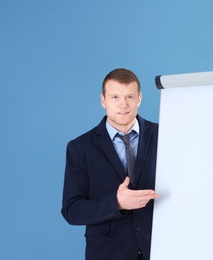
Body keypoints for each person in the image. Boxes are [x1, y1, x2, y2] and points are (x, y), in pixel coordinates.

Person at [61, 68, 159, 260]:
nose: (123, 105)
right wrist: (117, 203)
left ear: (139, 98)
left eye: (129, 96)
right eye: (115, 97)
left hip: (162, 249)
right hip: (109, 253)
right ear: (103, 100)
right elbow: (72, 211)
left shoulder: (166, 135)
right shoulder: (80, 148)